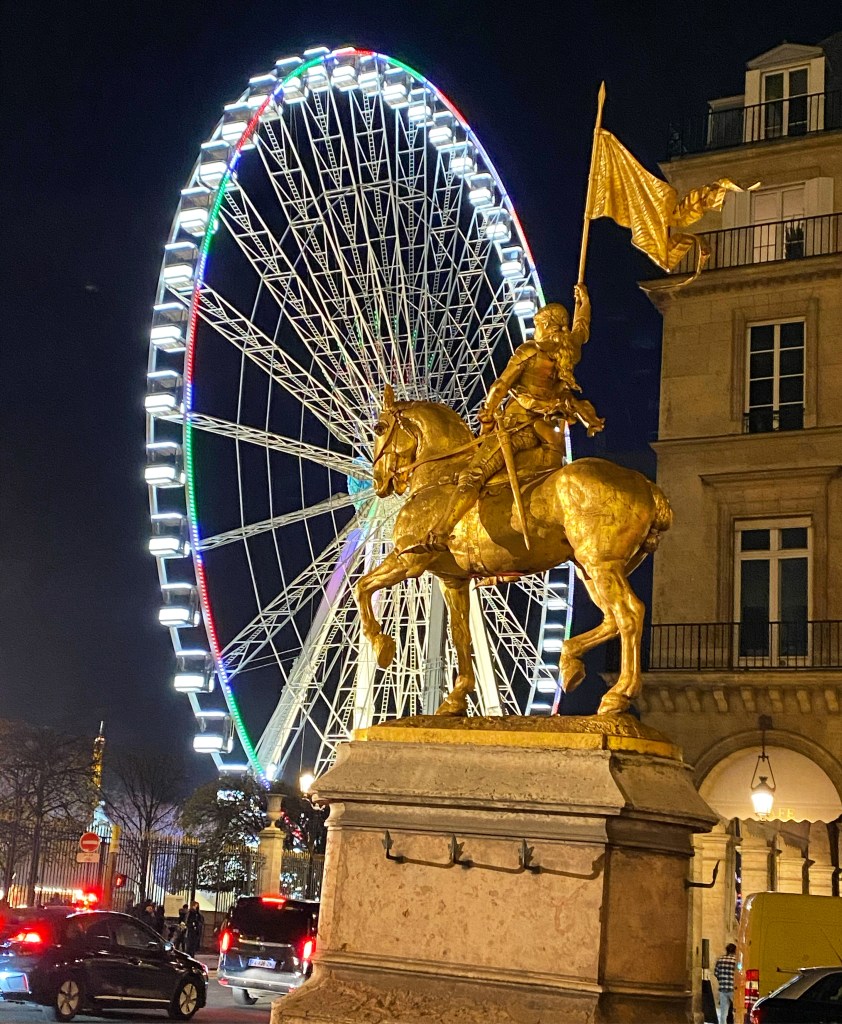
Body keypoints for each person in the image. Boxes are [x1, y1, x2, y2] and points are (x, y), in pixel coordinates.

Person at [408, 283, 604, 553]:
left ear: (546, 325)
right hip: (548, 436)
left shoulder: (530, 351)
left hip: (518, 429)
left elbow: (501, 386)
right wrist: (584, 303)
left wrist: (488, 411)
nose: (536, 329)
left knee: (472, 475)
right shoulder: (570, 349)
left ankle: (441, 532)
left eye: (538, 324)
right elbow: (581, 330)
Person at [713, 942, 737, 1024]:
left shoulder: (720, 960)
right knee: (736, 1011)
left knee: (723, 1013)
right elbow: (740, 972)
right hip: (734, 989)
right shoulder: (736, 961)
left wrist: (722, 980)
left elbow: (716, 973)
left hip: (723, 989)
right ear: (735, 951)